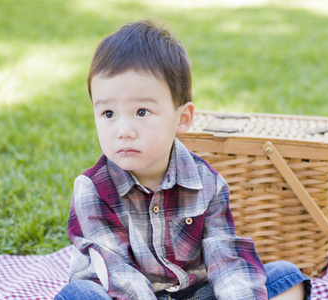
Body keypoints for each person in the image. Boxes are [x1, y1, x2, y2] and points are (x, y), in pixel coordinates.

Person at [55, 19, 311, 300]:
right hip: (120, 294)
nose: (123, 131)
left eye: (142, 112)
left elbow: (225, 258)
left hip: (192, 293)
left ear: (182, 118)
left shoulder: (208, 183)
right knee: (79, 293)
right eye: (108, 114)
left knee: (287, 278)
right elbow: (116, 272)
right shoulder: (92, 188)